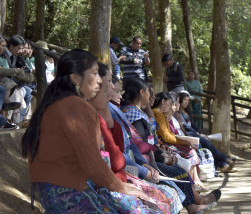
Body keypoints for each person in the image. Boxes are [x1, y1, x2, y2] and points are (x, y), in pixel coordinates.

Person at [21, 49, 158, 213]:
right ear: (76, 78)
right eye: (95, 73)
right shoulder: (74, 106)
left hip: (56, 192)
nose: (100, 81)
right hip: (69, 192)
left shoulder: (58, 103)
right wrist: (121, 187)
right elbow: (91, 161)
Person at [119, 78, 220, 213]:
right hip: (145, 161)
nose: (152, 98)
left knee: (180, 167)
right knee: (179, 173)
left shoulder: (137, 112)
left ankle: (197, 200)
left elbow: (150, 140)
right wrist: (162, 157)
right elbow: (142, 145)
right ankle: (193, 206)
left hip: (150, 156)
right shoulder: (133, 114)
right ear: (142, 92)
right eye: (150, 93)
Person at [90, 63, 180, 213]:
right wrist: (146, 168)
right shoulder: (119, 112)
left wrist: (146, 165)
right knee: (163, 192)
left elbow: (130, 145)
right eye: (109, 85)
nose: (114, 90)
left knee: (170, 187)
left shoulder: (112, 111)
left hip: (128, 169)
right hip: (118, 175)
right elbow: (121, 155)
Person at [177, 92, 237, 173]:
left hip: (193, 133)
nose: (186, 102)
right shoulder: (178, 113)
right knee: (205, 143)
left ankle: (223, 165)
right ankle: (225, 160)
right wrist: (197, 133)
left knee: (207, 145)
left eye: (187, 100)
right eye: (184, 100)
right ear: (179, 100)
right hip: (187, 134)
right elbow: (185, 126)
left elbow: (192, 124)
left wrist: (199, 131)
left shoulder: (187, 111)